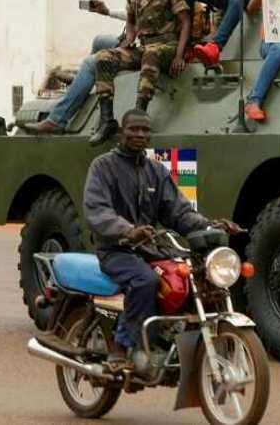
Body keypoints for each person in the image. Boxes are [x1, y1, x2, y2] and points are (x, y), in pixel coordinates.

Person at [83, 109, 241, 369]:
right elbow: (97, 210)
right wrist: (126, 231)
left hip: (150, 248)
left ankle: (164, 340)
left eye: (145, 130)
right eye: (134, 129)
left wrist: (209, 224)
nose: (140, 135)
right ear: (122, 131)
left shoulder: (155, 170)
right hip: (115, 249)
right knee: (145, 280)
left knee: (188, 278)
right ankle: (121, 348)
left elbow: (178, 212)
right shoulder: (103, 166)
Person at [26, 0, 144, 135]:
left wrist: (128, 42)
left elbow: (149, 25)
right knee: (99, 41)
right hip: (131, 40)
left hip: (143, 47)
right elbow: (132, 17)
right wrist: (107, 12)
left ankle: (57, 120)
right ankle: (83, 80)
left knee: (92, 62)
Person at [87, 0, 191, 145]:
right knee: (104, 56)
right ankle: (107, 120)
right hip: (143, 45)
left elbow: (185, 21)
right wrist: (128, 39)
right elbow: (131, 20)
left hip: (167, 45)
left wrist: (179, 55)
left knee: (150, 54)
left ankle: (138, 115)